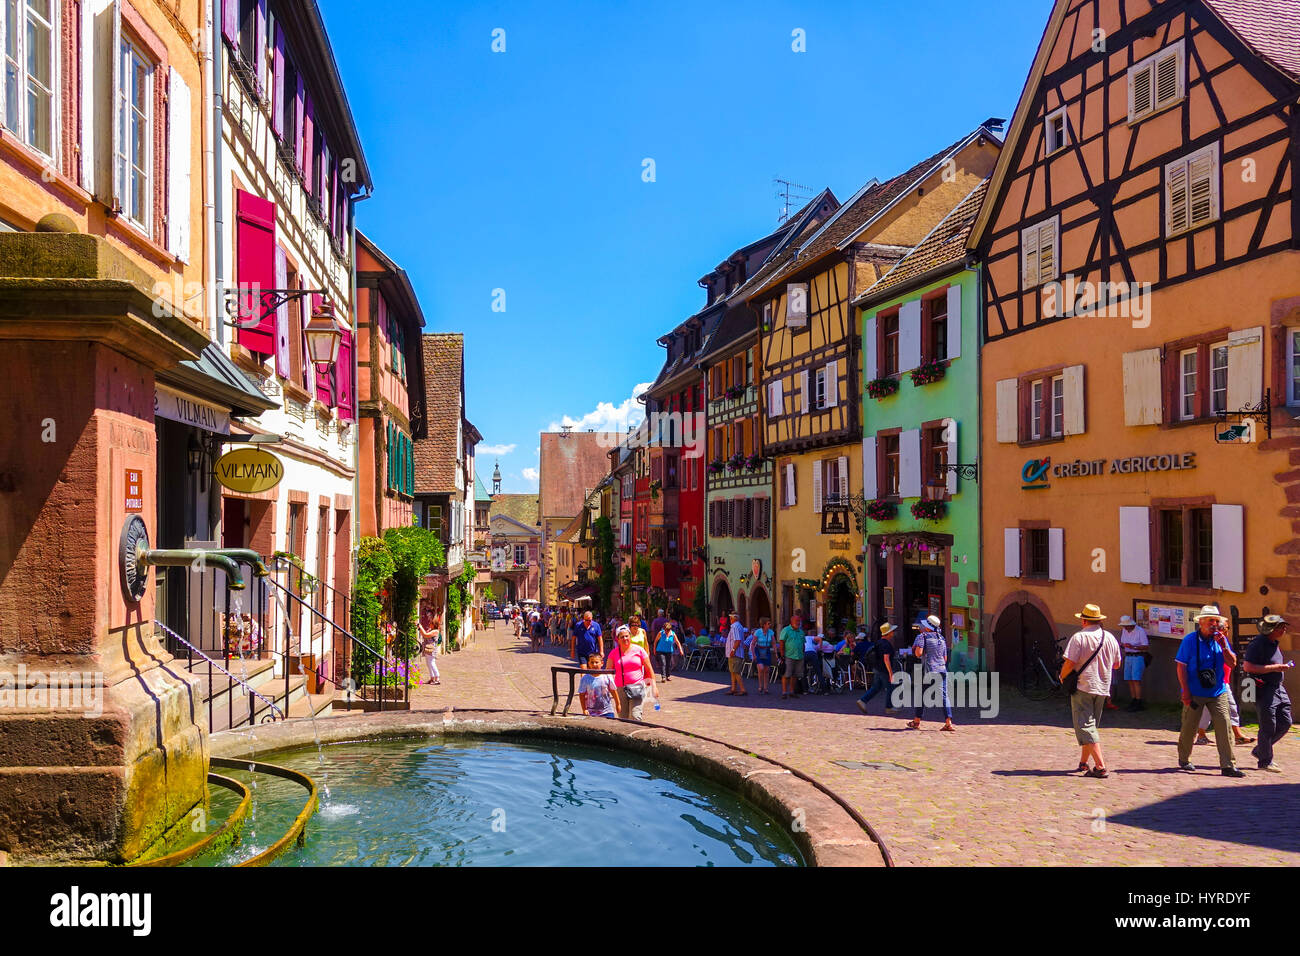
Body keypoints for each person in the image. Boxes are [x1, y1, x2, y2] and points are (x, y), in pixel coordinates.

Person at [1175, 605, 1244, 777]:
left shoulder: (1220, 639)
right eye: (1210, 621)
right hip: (1195, 692)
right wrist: (1185, 691)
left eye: (1216, 621)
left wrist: (1224, 646)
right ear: (1201, 623)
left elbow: (1233, 663)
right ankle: (1184, 759)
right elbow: (1181, 667)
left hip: (1217, 691)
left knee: (1224, 726)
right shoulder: (1189, 641)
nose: (1214, 624)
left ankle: (1228, 765)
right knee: (1189, 727)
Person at [1060, 604, 1120, 777]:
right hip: (1102, 687)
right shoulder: (1109, 637)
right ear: (1099, 620)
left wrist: (1062, 677)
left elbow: (1070, 662)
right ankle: (1083, 762)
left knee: (1085, 726)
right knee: (1091, 725)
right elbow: (1117, 664)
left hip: (1083, 685)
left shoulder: (1079, 637)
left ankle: (1100, 766)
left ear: (1084, 620)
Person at [1243, 614, 1294, 772]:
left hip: (1278, 688)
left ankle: (1260, 750)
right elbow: (1248, 667)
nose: (1284, 629)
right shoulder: (1258, 644)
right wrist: (1276, 668)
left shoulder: (1274, 643)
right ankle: (1265, 761)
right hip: (1263, 688)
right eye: (1281, 627)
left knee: (1285, 722)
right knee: (1268, 726)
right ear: (1271, 629)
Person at [907, 615, 956, 732]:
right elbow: (944, 658)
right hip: (942, 669)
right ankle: (948, 722)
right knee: (944, 696)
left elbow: (918, 653)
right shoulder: (942, 638)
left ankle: (917, 721)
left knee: (921, 695)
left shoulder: (922, 636)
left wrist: (917, 653)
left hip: (929, 670)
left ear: (927, 626)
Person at [607, 625, 656, 721]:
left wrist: (654, 686)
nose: (625, 638)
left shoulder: (639, 650)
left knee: (635, 716)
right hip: (620, 688)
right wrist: (608, 686)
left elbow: (649, 668)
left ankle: (636, 735)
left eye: (627, 636)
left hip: (637, 687)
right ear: (618, 639)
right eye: (622, 637)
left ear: (630, 636)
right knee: (623, 718)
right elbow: (608, 671)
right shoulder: (614, 653)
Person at [856, 622, 898, 715]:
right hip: (884, 669)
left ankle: (862, 701)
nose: (893, 632)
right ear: (889, 632)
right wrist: (891, 673)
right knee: (891, 687)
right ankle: (889, 707)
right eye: (892, 631)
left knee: (876, 687)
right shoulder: (886, 644)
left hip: (877, 668)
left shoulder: (878, 642)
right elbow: (886, 659)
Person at [1116, 615, 1150, 711]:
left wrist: (1133, 647)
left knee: (1136, 680)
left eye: (1126, 626)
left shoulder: (1140, 631)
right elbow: (1122, 643)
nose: (1125, 628)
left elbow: (1145, 646)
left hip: (1137, 656)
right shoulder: (1124, 631)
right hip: (1128, 656)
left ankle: (1139, 701)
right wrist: (1123, 645)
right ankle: (1133, 700)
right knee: (1129, 680)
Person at [578, 653, 617, 718]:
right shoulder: (585, 678)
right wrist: (584, 709)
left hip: (607, 710)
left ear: (602, 663)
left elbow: (613, 691)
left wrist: (618, 704)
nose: (594, 664)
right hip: (591, 712)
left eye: (596, 662)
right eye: (592, 662)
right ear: (588, 663)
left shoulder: (607, 676)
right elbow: (582, 694)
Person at [777, 611, 805, 700]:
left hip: (799, 656)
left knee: (795, 675)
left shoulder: (801, 632)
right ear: (791, 621)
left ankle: (792, 691)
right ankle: (784, 692)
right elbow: (781, 642)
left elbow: (803, 643)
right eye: (796, 621)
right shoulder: (786, 630)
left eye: (799, 621)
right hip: (788, 655)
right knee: (786, 674)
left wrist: (803, 653)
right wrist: (782, 655)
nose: (798, 623)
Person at [724, 611, 749, 696]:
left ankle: (742, 689)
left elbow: (737, 640)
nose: (730, 619)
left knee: (736, 671)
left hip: (735, 653)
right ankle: (733, 688)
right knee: (733, 671)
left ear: (733, 618)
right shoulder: (739, 626)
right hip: (736, 653)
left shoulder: (735, 626)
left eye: (730, 618)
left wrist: (733, 650)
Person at [750, 617, 776, 694]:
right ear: (764, 624)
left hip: (767, 650)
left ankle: (765, 688)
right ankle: (760, 686)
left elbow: (774, 643)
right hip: (759, 650)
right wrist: (753, 654)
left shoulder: (771, 632)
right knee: (761, 668)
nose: (770, 625)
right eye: (768, 623)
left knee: (767, 670)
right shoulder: (758, 632)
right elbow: (753, 644)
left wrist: (776, 652)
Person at [418, 610, 442, 686]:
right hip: (428, 648)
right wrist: (419, 628)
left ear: (434, 624)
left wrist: (421, 627)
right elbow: (424, 634)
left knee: (432, 663)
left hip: (432, 649)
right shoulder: (431, 630)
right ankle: (432, 678)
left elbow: (425, 635)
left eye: (431, 623)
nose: (429, 624)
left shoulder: (435, 631)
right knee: (428, 663)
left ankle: (437, 678)